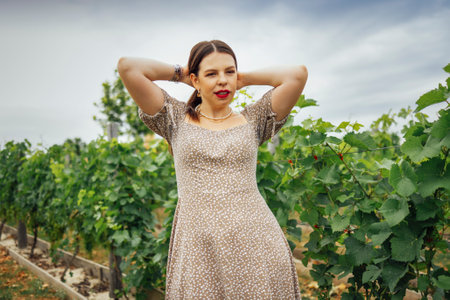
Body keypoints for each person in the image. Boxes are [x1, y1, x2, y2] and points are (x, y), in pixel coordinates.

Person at [117, 40, 308, 299]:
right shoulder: (173, 118)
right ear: (195, 80)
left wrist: (241, 78)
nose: (223, 81)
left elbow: (296, 75)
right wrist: (182, 75)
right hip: (199, 251)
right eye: (211, 74)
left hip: (255, 245)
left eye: (229, 71)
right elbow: (129, 68)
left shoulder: (255, 119)